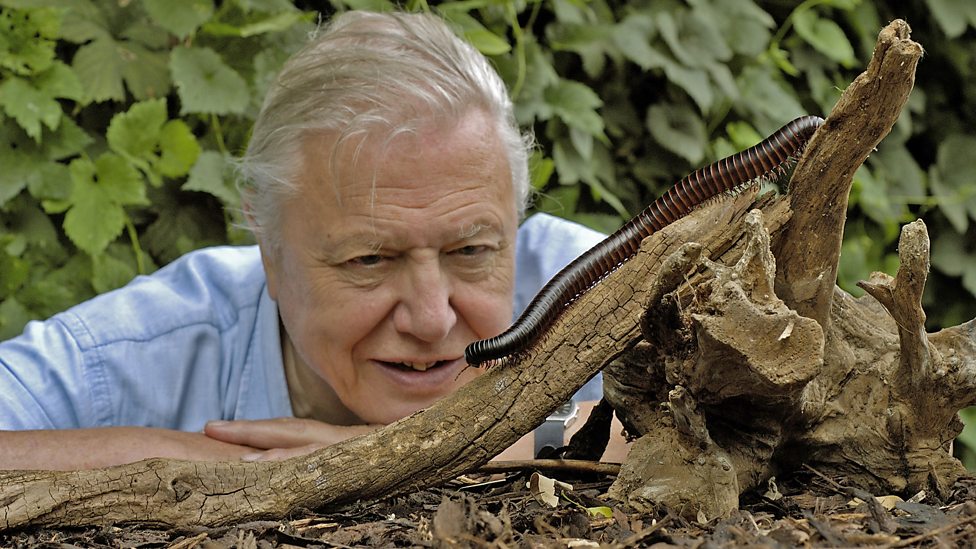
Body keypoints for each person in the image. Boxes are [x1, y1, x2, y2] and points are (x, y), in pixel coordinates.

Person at [0, 10, 624, 470]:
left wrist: (382, 458)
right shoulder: (143, 349)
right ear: (269, 249)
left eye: (470, 252)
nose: (433, 320)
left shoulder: (607, 285)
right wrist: (194, 462)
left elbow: (715, 432)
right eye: (370, 259)